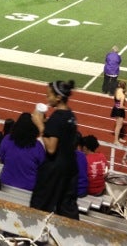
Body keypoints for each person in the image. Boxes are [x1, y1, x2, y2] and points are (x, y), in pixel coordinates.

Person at [30, 80, 79, 220]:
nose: (47, 99)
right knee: (67, 208)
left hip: (54, 170)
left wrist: (40, 125)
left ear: (58, 97)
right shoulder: (70, 115)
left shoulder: (57, 117)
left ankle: (34, 237)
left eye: (48, 96)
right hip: (70, 167)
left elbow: (51, 148)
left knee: (40, 205)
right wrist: (47, 125)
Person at [0, 112, 45, 191]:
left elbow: (0, 158)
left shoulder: (7, 139)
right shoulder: (38, 146)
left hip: (5, 184)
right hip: (29, 188)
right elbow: (43, 168)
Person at [111, 80, 127, 144]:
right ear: (124, 86)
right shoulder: (122, 95)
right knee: (118, 126)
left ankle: (118, 138)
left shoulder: (117, 90)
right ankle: (116, 141)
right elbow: (121, 106)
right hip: (119, 110)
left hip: (116, 108)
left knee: (120, 125)